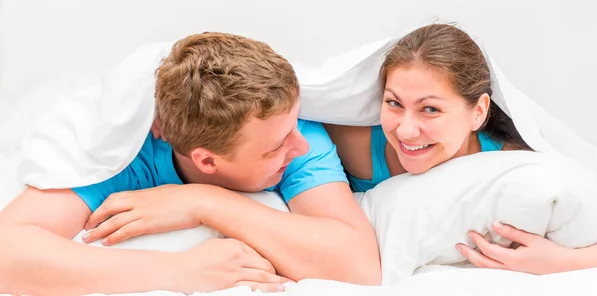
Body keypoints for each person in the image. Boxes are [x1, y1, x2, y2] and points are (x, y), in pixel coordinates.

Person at [0, 33, 380, 296]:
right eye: (275, 148)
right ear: (206, 160)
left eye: (295, 127)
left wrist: (205, 202)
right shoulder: (127, 158)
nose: (299, 146)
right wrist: (177, 270)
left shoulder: (291, 132)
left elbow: (359, 268)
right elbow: (8, 252)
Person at [323, 23, 597, 275]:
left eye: (430, 109)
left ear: (478, 112)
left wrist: (566, 262)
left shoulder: (512, 166)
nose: (405, 130)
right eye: (394, 103)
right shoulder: (354, 144)